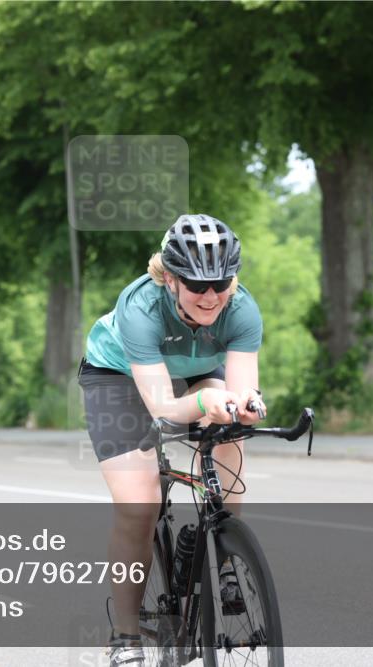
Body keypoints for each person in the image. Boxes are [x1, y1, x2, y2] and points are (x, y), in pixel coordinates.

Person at [78, 214, 266, 666]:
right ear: (169, 278)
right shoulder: (139, 306)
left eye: (220, 283)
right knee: (138, 506)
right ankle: (125, 635)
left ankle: (223, 559)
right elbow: (163, 407)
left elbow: (240, 392)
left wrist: (242, 405)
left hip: (193, 371)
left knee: (231, 428)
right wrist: (208, 405)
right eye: (197, 285)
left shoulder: (241, 309)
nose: (211, 296)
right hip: (117, 379)